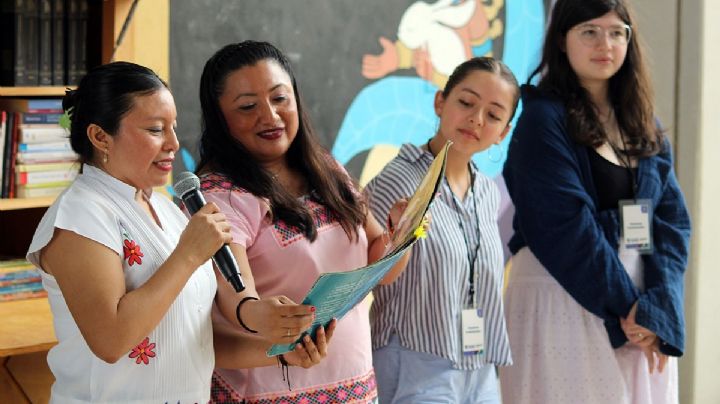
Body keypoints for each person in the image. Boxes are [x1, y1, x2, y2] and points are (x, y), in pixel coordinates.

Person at [25, 61, 334, 404]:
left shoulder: (168, 210)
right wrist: (188, 255)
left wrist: (280, 352)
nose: (173, 143)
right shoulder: (80, 214)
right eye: (156, 129)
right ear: (100, 137)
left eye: (173, 127)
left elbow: (191, 340)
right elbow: (110, 341)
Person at [195, 40, 413, 404]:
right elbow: (236, 292)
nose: (270, 116)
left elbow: (380, 264)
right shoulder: (220, 194)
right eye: (248, 106)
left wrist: (402, 234)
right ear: (220, 118)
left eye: (280, 98)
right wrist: (254, 312)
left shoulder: (327, 169)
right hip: (268, 392)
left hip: (354, 387)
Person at [498, 0, 691, 403]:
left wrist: (658, 307)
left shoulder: (643, 122)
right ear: (562, 41)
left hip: (636, 310)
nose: (605, 43)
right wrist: (629, 310)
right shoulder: (542, 119)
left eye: (617, 32)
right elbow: (565, 227)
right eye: (589, 31)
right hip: (565, 297)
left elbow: (672, 224)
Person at [363, 56, 519, 403]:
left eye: (493, 115)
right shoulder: (399, 181)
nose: (477, 119)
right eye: (466, 102)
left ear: (503, 132)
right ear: (440, 102)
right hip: (415, 362)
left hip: (479, 367)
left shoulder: (486, 190)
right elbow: (364, 274)